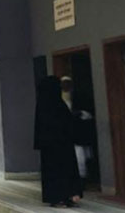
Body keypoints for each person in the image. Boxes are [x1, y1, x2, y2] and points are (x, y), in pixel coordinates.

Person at [35, 76, 83, 208]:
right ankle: (57, 198)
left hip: (59, 144)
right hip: (55, 145)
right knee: (56, 172)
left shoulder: (50, 103)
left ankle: (66, 196)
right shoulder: (50, 104)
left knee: (62, 171)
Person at [60, 76, 95, 182]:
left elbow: (87, 114)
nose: (65, 86)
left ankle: (82, 177)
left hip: (78, 132)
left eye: (68, 84)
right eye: (63, 84)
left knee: (82, 155)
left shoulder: (78, 97)